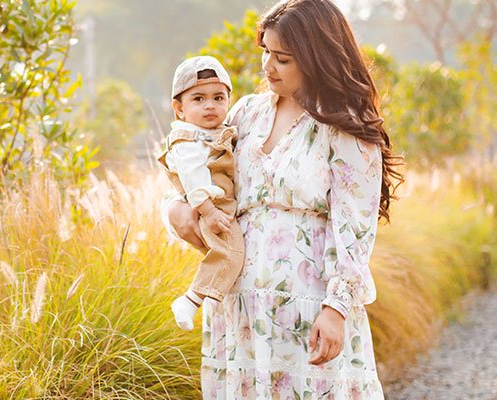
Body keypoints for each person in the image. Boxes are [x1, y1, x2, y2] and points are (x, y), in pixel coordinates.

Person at [160, 0, 404, 398]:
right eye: (266, 54)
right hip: (239, 309)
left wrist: (337, 309)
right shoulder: (245, 114)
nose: (267, 68)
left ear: (315, 57)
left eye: (283, 58)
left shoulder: (343, 126)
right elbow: (192, 174)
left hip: (309, 307)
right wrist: (175, 211)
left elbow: (355, 230)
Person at [158, 56, 245, 331]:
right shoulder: (187, 139)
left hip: (219, 206)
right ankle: (191, 300)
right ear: (179, 109)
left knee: (228, 254)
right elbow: (193, 178)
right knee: (231, 253)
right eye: (198, 99)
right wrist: (208, 211)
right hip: (211, 207)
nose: (210, 105)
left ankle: (194, 298)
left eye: (219, 98)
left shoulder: (218, 130)